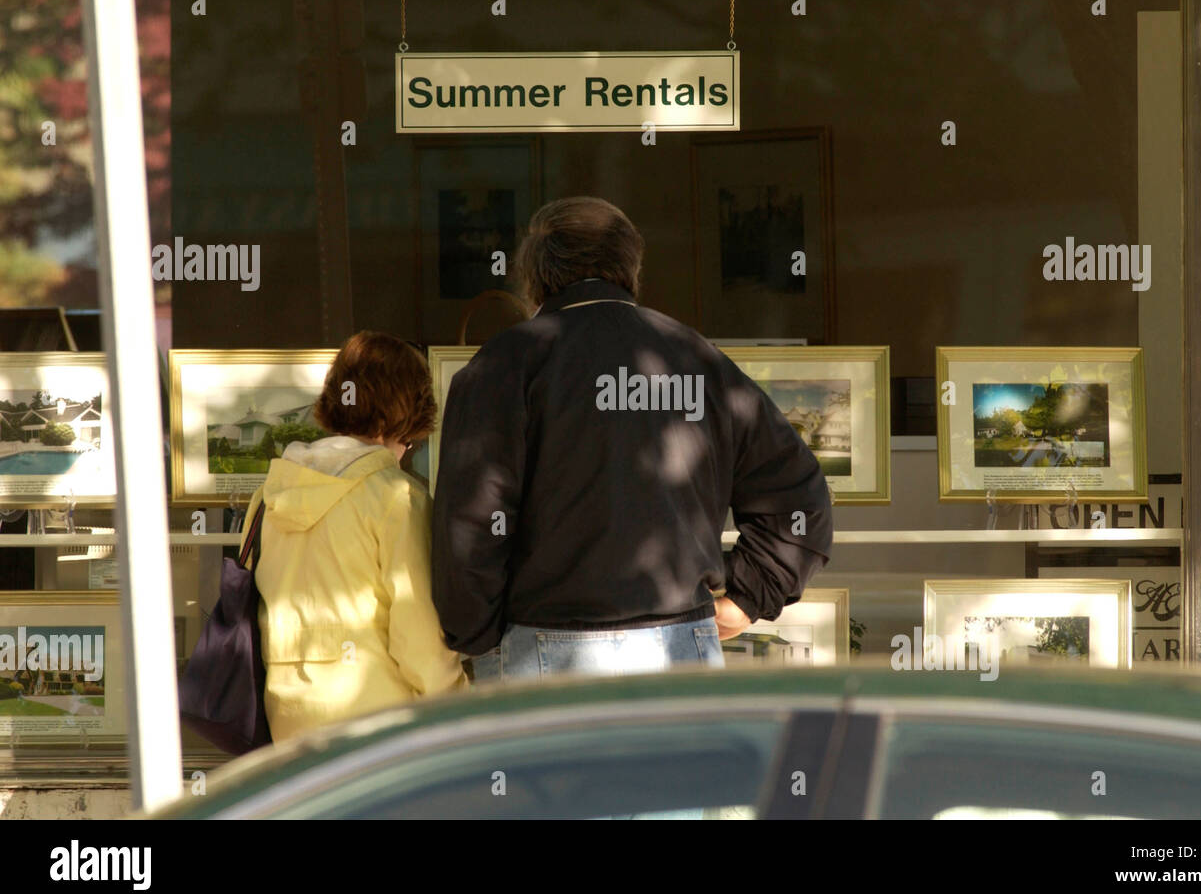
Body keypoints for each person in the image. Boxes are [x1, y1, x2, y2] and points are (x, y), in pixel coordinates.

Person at [432, 196, 832, 681]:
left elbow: (473, 524)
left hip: (544, 643)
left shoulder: (505, 364)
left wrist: (477, 639)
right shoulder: (697, 359)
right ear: (631, 268)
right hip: (679, 640)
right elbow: (798, 494)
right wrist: (749, 596)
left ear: (532, 276)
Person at [243, 330, 465, 742]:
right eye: (411, 434)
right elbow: (418, 637)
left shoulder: (269, 495)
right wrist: (458, 702)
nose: (409, 446)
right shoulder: (396, 498)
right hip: (377, 729)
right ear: (396, 417)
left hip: (287, 722)